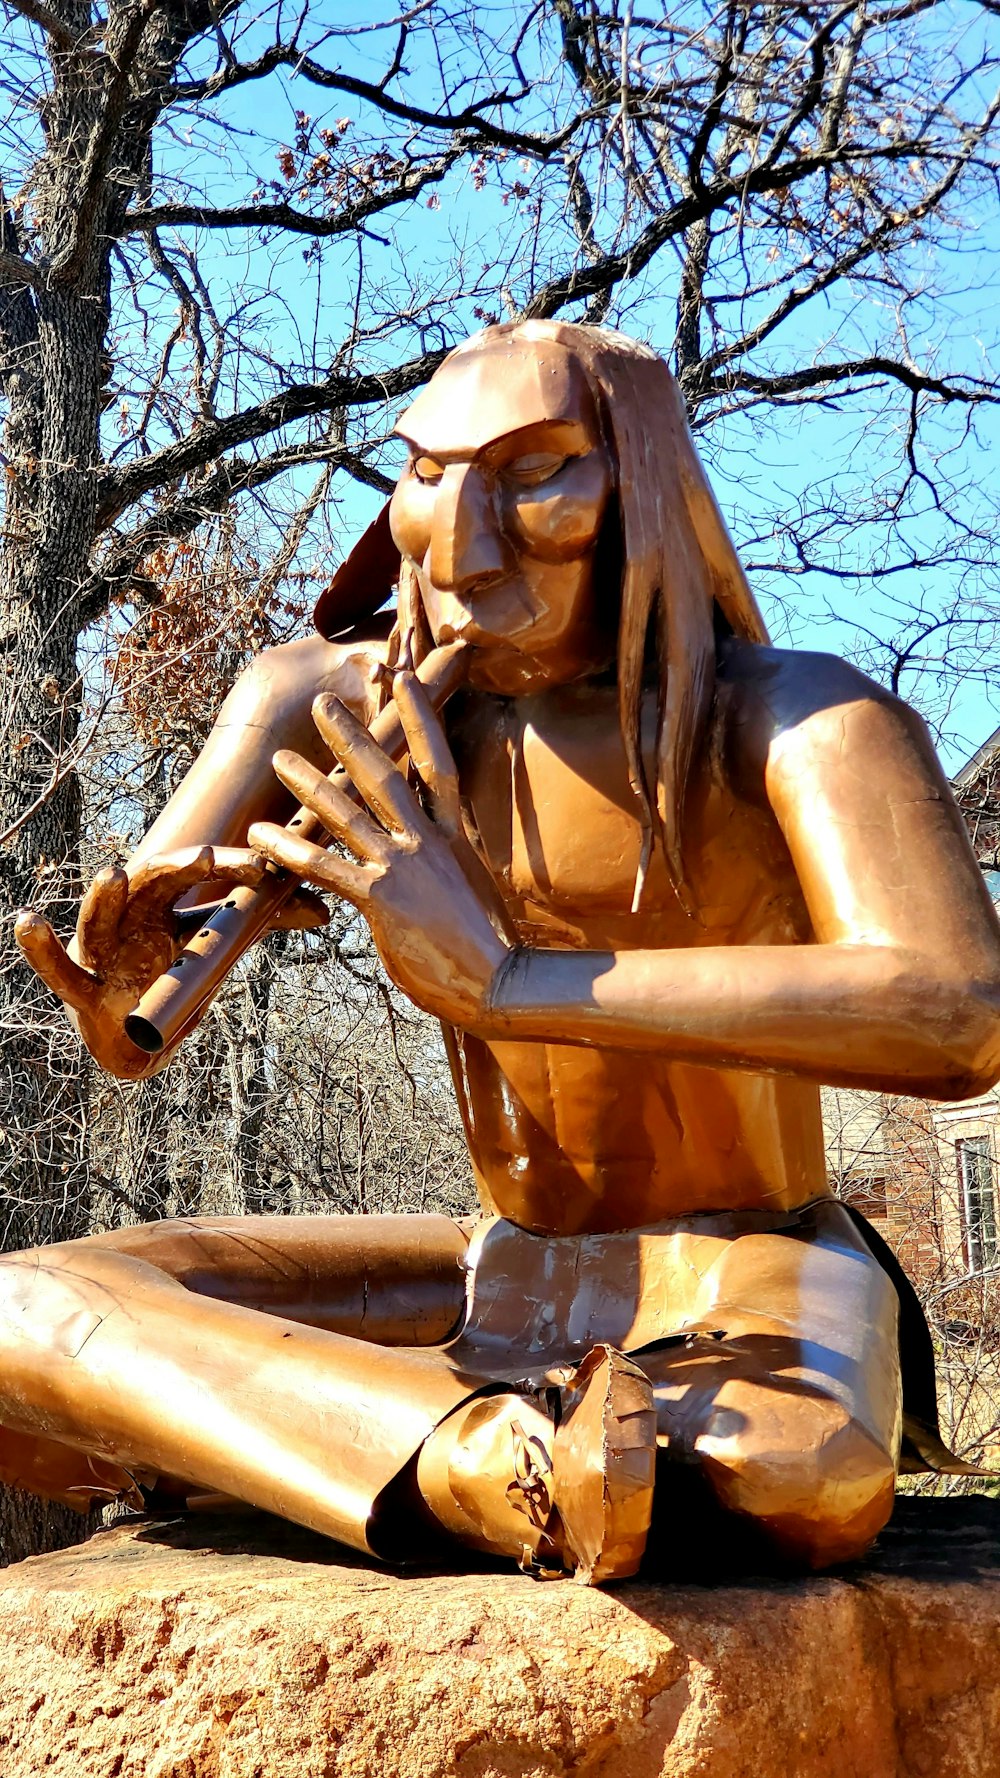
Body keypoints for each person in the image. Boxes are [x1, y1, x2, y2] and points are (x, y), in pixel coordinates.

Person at [10, 321, 1000, 1586]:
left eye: (534, 478)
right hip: (492, 1267)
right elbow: (149, 991)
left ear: (642, 484)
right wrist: (127, 1002)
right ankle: (481, 1461)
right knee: (23, 1313)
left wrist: (507, 981)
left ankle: (383, 1449)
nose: (460, 543)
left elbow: (958, 1007)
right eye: (427, 474)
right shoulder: (320, 694)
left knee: (786, 1469)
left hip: (744, 1267)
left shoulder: (800, 716)